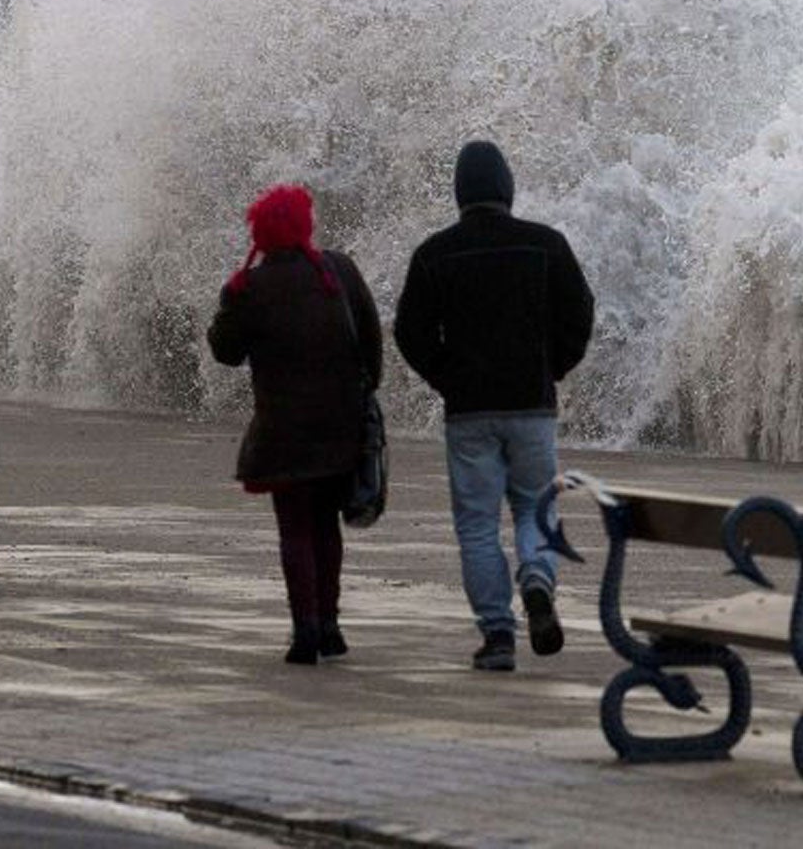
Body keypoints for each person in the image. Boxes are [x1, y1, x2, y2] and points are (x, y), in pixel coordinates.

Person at [395, 140, 593, 672]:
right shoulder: (545, 245)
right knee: (535, 508)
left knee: (478, 525)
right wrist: (554, 367)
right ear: (507, 188)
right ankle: (536, 579)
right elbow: (580, 312)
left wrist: (446, 377)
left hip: (470, 414)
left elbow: (408, 331)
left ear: (460, 193)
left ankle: (498, 635)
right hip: (531, 406)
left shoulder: (435, 254)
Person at [207, 183, 383, 666]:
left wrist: (231, 299)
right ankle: (329, 624)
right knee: (327, 527)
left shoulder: (252, 287)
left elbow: (225, 351)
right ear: (305, 226)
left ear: (260, 234)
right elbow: (370, 340)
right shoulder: (338, 271)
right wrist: (363, 396)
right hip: (338, 427)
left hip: (282, 432)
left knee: (295, 530)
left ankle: (304, 627)